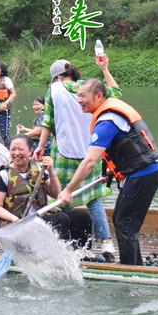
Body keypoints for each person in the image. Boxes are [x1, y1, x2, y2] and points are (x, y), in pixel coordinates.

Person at [58, 79, 158, 266]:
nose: (79, 100)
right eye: (78, 96)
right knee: (121, 221)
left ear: (98, 96)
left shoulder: (107, 120)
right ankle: (135, 266)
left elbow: (89, 161)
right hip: (141, 171)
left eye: (83, 96)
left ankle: (131, 271)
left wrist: (68, 190)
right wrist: (110, 170)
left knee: (125, 224)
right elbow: (122, 144)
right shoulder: (108, 109)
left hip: (144, 172)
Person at [34, 58, 118, 261]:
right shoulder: (92, 89)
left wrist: (40, 145)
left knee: (62, 196)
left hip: (62, 151)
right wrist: (105, 69)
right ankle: (106, 243)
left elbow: (47, 120)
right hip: (91, 151)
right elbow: (117, 94)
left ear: (57, 77)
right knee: (93, 198)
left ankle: (72, 244)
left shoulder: (54, 89)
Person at [0, 135, 91, 249]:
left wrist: (51, 170)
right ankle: (58, 254)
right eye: (13, 149)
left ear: (30, 151)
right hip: (18, 227)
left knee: (82, 216)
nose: (16, 153)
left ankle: (82, 255)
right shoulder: (3, 175)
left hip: (40, 219)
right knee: (60, 219)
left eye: (20, 149)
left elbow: (56, 193)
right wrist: (14, 219)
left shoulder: (39, 168)